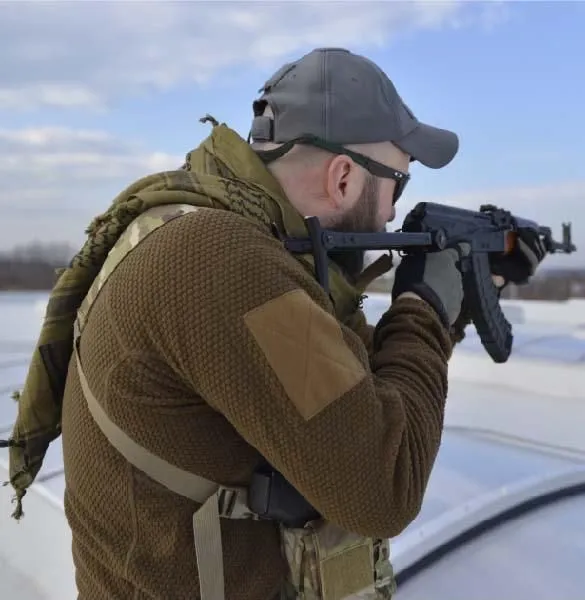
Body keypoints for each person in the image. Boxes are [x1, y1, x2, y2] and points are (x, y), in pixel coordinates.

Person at [3, 48, 545, 600]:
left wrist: (463, 294)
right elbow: (384, 487)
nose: (389, 217)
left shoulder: (206, 233)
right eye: (397, 188)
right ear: (341, 178)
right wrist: (426, 305)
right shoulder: (222, 261)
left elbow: (354, 394)